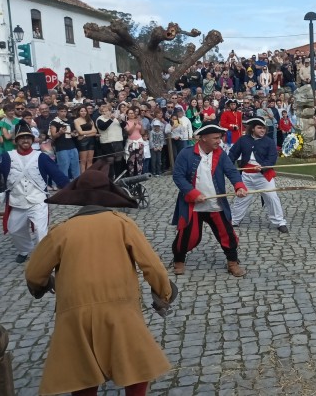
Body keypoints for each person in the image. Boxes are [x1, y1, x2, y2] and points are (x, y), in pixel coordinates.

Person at [24, 166, 176, 396]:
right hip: (120, 307)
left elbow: (34, 273)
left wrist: (42, 286)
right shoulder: (122, 223)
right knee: (135, 364)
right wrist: (163, 294)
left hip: (75, 312)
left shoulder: (61, 231)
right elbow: (152, 266)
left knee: (80, 370)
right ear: (109, 194)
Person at [171, 124, 248, 276]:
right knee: (187, 236)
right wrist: (193, 193)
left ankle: (232, 262)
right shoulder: (186, 154)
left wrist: (239, 186)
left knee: (227, 234)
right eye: (216, 138)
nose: (219, 141)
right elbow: (178, 176)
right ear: (203, 138)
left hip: (215, 204)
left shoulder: (220, 154)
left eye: (219, 138)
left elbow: (231, 171)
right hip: (193, 205)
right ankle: (178, 260)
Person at [0, 122, 70, 263]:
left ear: (32, 140)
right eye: (22, 137)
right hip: (17, 201)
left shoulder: (41, 157)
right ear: (16, 140)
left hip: (38, 201)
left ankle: (46, 257)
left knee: (41, 232)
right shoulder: (7, 156)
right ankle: (24, 250)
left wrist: (70, 187)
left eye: (28, 137)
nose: (25, 140)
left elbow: (56, 174)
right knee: (14, 229)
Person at [228, 118, 288, 233]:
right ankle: (234, 220)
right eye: (259, 128)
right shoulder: (243, 140)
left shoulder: (269, 142)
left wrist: (264, 166)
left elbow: (272, 158)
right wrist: (228, 167)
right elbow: (232, 154)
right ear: (252, 128)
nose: (262, 130)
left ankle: (280, 221)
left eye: (264, 128)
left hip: (263, 176)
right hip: (246, 176)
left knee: (272, 198)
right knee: (241, 198)